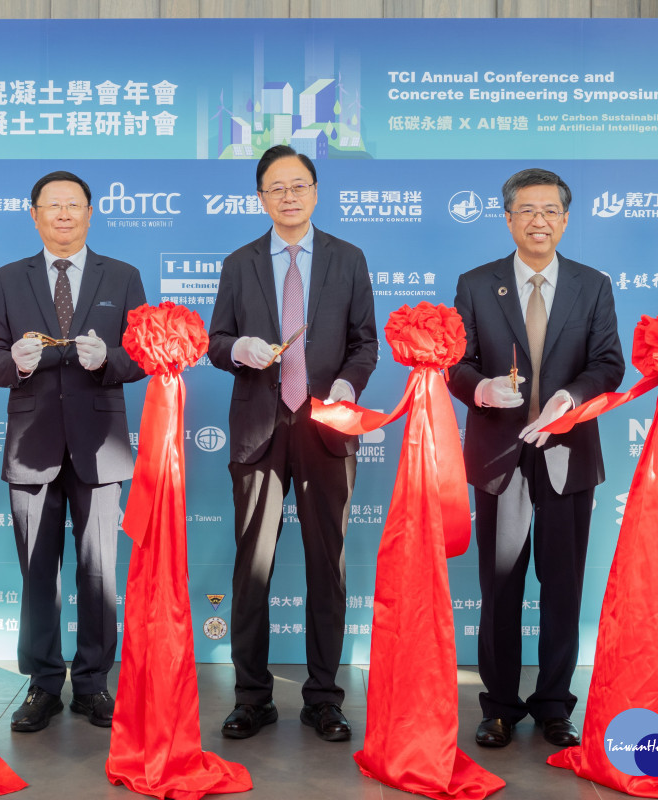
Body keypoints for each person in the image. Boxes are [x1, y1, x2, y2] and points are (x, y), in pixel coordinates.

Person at [449, 168, 625, 750]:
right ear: (508, 218)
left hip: (567, 454)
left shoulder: (591, 285)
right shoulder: (477, 283)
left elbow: (609, 362)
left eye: (550, 210)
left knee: (563, 586)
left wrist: (570, 398)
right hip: (500, 456)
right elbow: (455, 362)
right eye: (526, 210)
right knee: (500, 586)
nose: (538, 220)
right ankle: (499, 706)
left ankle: (554, 705)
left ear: (566, 220)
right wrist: (481, 388)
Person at [208, 145, 377, 742]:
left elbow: (365, 343)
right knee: (253, 565)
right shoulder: (240, 263)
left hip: (325, 426)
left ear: (315, 191)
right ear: (260, 198)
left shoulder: (348, 258)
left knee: (326, 564)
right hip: (260, 429)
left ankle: (324, 698)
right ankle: (251, 698)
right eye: (276, 187)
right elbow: (215, 341)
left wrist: (347, 384)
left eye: (298, 185)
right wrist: (238, 349)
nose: (288, 195)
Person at [0, 170, 147, 733]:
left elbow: (142, 356)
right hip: (32, 447)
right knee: (37, 573)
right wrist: (16, 362)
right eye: (52, 206)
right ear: (34, 215)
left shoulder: (122, 276)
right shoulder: (8, 278)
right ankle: (43, 683)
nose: (63, 215)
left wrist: (108, 361)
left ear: (90, 213)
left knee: (98, 572)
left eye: (73, 205)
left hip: (100, 446)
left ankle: (94, 683)